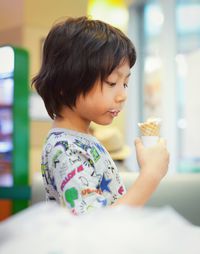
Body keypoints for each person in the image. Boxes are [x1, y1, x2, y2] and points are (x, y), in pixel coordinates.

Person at [32, 16, 169, 215]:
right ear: (65, 84)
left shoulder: (78, 139)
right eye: (112, 83)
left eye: (125, 84)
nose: (122, 95)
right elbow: (95, 224)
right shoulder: (65, 149)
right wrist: (150, 175)